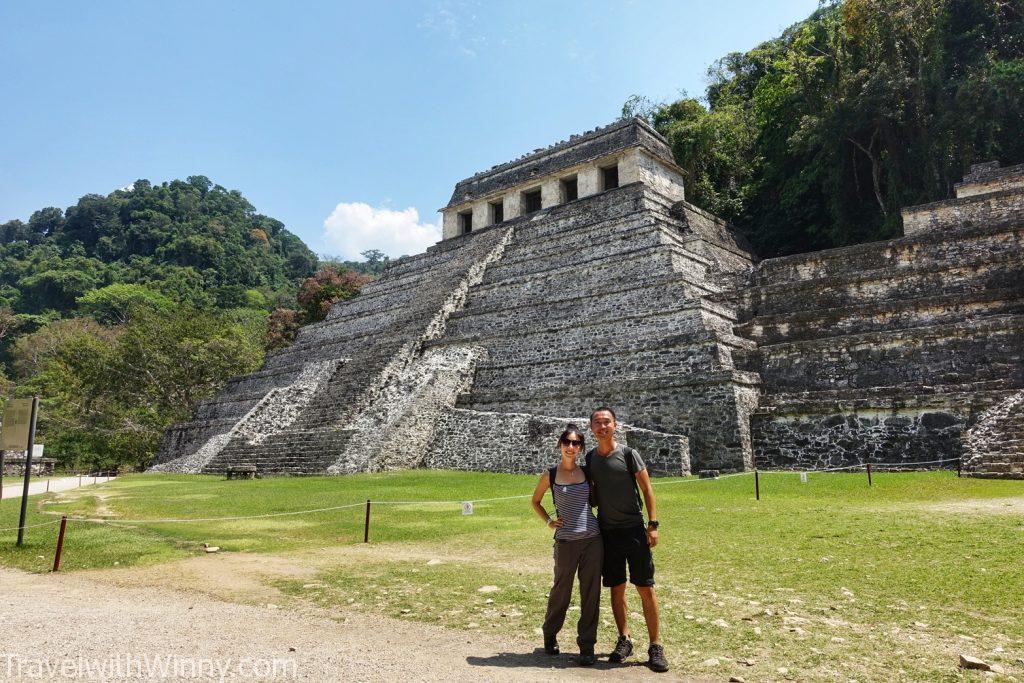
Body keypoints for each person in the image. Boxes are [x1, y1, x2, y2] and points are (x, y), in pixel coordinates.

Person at [587, 406, 669, 673]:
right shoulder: (590, 459)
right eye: (597, 423)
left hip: (634, 529)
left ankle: (656, 645)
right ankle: (624, 638)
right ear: (591, 428)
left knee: (645, 587)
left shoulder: (628, 454)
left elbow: (647, 489)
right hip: (607, 533)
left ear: (615, 425)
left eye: (606, 422)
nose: (602, 427)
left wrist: (653, 524)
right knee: (617, 588)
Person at [530, 424, 603, 666]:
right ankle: (550, 633)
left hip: (592, 539)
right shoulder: (550, 475)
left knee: (590, 593)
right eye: (567, 442)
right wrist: (550, 521)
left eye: (576, 443)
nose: (571, 447)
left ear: (581, 448)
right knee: (561, 590)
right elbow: (536, 501)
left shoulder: (586, 473)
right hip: (565, 541)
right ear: (560, 445)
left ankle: (587, 645)